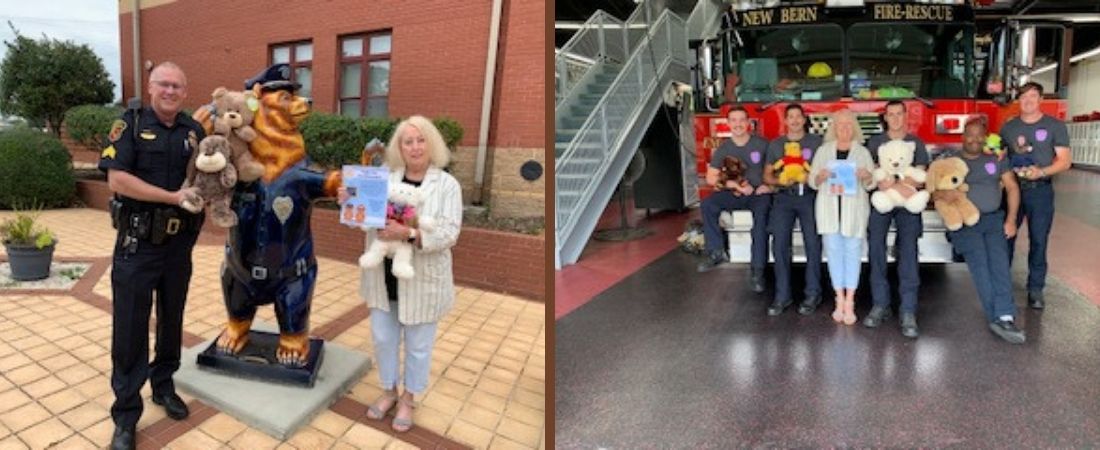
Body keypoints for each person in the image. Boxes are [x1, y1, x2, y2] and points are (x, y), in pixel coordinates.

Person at [97, 62, 205, 450]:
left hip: (179, 247)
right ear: (151, 85)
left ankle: (163, 386)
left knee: (172, 320)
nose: (171, 91)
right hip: (138, 245)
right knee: (129, 329)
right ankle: (126, 415)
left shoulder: (194, 131)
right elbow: (117, 179)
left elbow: (207, 176)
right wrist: (173, 197)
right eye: (164, 84)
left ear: (185, 92)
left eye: (178, 85)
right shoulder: (128, 125)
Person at [340, 116, 462, 432]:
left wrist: (408, 234)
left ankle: (408, 397)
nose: (415, 147)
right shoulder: (382, 179)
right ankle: (388, 391)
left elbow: (449, 233)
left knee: (419, 345)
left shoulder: (447, 185)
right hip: (383, 276)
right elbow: (363, 221)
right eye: (407, 141)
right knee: (383, 338)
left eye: (421, 140)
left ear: (431, 144)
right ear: (400, 147)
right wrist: (350, 203)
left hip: (421, 277)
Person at [938, 118, 1025, 343]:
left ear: (985, 138)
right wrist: (942, 195)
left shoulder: (996, 161)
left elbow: (1013, 188)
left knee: (1000, 265)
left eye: (979, 135)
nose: (974, 139)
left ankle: (1005, 315)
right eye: (970, 134)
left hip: (994, 220)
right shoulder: (951, 162)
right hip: (966, 225)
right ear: (962, 137)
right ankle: (997, 317)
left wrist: (1011, 220)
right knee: (981, 266)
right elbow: (935, 191)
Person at [1001, 81, 1072, 310]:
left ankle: (1035, 289)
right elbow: (1000, 158)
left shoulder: (1055, 126)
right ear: (1018, 101)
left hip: (1040, 191)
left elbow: (1064, 161)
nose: (1028, 101)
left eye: (1033, 96)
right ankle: (1002, 286)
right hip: (1013, 191)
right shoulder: (1008, 128)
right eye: (1023, 97)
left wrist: (1041, 171)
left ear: (1041, 99)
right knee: (1006, 238)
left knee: (1039, 240)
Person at [863, 100, 930, 338]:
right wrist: (885, 184)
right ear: (885, 117)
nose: (895, 118)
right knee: (876, 248)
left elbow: (921, 174)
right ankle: (880, 304)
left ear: (905, 116)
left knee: (908, 250)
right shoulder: (875, 142)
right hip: (882, 200)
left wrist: (901, 186)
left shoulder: (916, 142)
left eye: (899, 114)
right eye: (890, 114)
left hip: (909, 202)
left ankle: (908, 310)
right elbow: (872, 172)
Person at [807, 109, 875, 325]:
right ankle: (839, 298)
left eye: (848, 125)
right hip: (829, 209)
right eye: (840, 125)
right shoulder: (823, 151)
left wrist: (866, 176)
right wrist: (820, 176)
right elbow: (811, 181)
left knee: (853, 253)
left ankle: (850, 301)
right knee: (834, 253)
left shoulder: (862, 152)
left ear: (854, 128)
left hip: (854, 210)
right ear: (833, 128)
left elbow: (871, 183)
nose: (844, 129)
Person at [698, 104, 773, 294]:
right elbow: (711, 177)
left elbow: (775, 170)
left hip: (758, 194)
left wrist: (769, 186)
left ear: (749, 123)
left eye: (742, 120)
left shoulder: (763, 144)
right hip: (735, 194)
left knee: (760, 223)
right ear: (728, 123)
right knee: (708, 204)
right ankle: (716, 251)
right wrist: (734, 185)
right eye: (734, 120)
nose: (738, 124)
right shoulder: (723, 149)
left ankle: (757, 271)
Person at [763, 104, 823, 315]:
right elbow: (767, 175)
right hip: (783, 199)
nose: (795, 121)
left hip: (810, 198)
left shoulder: (817, 143)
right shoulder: (776, 144)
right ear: (785, 121)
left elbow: (826, 170)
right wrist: (779, 181)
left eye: (799, 116)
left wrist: (812, 178)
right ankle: (782, 296)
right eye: (791, 117)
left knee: (813, 245)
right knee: (779, 246)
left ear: (805, 119)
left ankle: (813, 294)